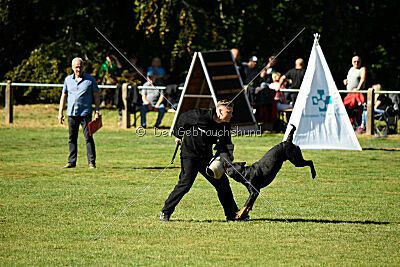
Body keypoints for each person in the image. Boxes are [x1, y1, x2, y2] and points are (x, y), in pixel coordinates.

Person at [160, 100, 239, 222]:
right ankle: (166, 212)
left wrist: (228, 155)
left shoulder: (224, 125)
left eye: (232, 112)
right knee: (185, 184)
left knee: (222, 183)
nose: (231, 115)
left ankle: (232, 214)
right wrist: (178, 134)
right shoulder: (198, 115)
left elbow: (226, 142)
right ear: (219, 111)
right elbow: (182, 118)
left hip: (207, 158)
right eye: (228, 112)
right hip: (189, 155)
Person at [58, 57, 101, 169]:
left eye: (80, 67)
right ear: (72, 67)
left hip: (85, 113)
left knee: (88, 138)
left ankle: (91, 162)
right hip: (72, 113)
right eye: (76, 67)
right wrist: (60, 112)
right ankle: (71, 162)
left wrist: (97, 111)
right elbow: (64, 96)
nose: (78, 69)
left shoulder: (90, 80)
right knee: (72, 138)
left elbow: (96, 96)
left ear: (83, 67)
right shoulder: (67, 80)